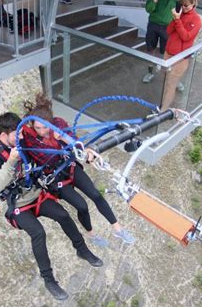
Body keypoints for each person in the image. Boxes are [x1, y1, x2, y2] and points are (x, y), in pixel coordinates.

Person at [0, 112, 103, 301]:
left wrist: (74, 148)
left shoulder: (18, 142)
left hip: (35, 194)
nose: (21, 137)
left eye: (21, 133)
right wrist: (11, 161)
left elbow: (42, 146)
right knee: (38, 233)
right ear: (4, 134)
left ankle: (82, 249)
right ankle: (49, 279)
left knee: (62, 215)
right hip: (18, 203)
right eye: (17, 134)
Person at [22, 94, 135, 248]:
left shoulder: (59, 124)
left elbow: (76, 143)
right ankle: (91, 234)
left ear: (51, 122)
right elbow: (41, 155)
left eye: (45, 127)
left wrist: (63, 138)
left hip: (69, 166)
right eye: (38, 128)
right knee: (82, 206)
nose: (42, 131)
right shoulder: (30, 139)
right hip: (54, 177)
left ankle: (117, 228)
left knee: (95, 194)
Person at [161, 0, 201, 111]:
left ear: (193, 4)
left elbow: (186, 37)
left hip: (180, 58)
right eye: (182, 5)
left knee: (170, 84)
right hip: (169, 53)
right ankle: (163, 105)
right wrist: (175, 19)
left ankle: (163, 110)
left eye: (186, 5)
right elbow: (168, 31)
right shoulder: (180, 15)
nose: (183, 7)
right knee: (166, 81)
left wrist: (178, 21)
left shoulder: (196, 19)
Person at [142, 0, 177, 83]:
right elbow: (148, 9)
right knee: (150, 49)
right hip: (153, 25)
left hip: (167, 26)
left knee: (165, 52)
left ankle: (166, 75)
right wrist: (154, 0)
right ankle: (150, 73)